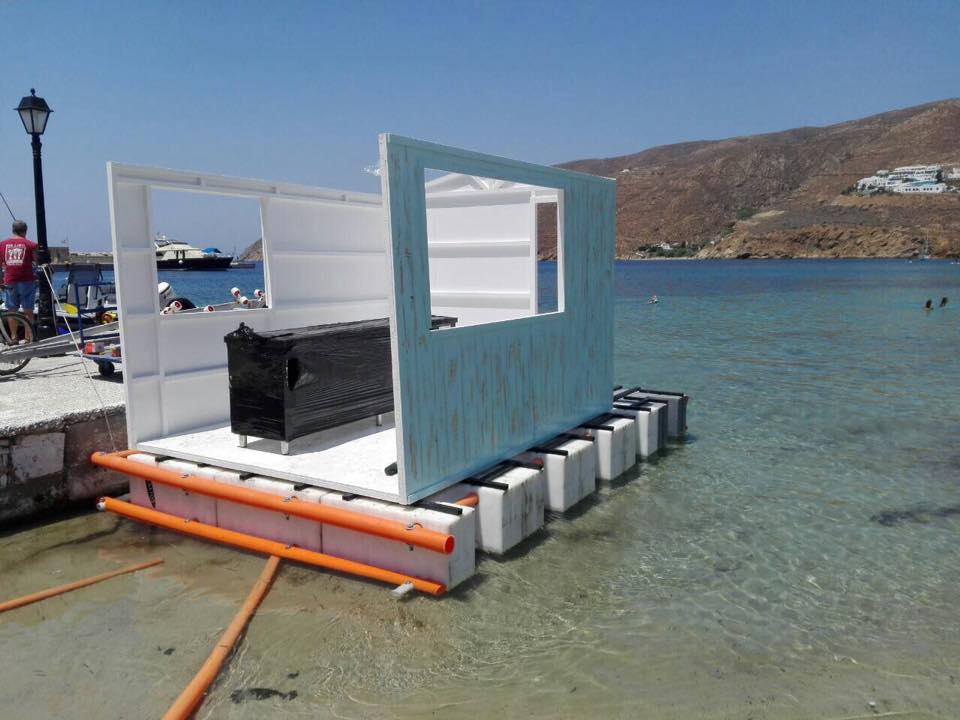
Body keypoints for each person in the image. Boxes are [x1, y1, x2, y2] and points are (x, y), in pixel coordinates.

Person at [0, 220, 38, 340]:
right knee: (28, 310)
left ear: (13, 230)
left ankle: (13, 337)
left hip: (10, 280)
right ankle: (28, 338)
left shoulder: (2, 244)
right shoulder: (31, 245)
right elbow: (37, 262)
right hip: (27, 280)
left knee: (12, 310)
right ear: (25, 231)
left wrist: (0, 282)